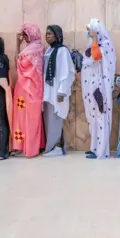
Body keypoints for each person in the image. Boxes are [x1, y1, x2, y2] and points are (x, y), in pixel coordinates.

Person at [82, 19, 116, 159]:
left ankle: (102, 151)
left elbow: (96, 56)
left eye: (89, 29)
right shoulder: (92, 45)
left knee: (101, 117)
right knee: (93, 118)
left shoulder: (105, 45)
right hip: (90, 87)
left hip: (100, 88)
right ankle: (94, 147)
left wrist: (95, 38)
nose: (87, 33)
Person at [12, 23, 45, 158]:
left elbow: (18, 62)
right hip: (23, 88)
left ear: (32, 34)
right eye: (23, 34)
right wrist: (19, 45)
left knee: (31, 118)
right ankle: (20, 145)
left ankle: (32, 147)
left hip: (31, 90)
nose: (24, 37)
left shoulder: (35, 49)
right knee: (21, 118)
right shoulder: (29, 49)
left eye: (26, 34)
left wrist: (17, 45)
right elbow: (16, 64)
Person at [43, 25, 75, 157]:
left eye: (50, 33)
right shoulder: (48, 50)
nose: (47, 36)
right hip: (48, 90)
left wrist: (62, 91)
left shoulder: (62, 51)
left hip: (57, 90)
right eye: (46, 34)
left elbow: (68, 72)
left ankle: (57, 147)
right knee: (49, 119)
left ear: (57, 35)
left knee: (57, 117)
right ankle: (52, 147)